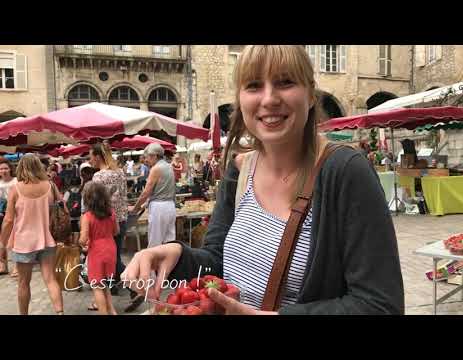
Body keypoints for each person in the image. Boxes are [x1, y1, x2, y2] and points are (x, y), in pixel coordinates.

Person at [122, 45, 404, 315]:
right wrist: (175, 254)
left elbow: (380, 305)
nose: (269, 99)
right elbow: (218, 262)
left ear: (310, 96)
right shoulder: (240, 169)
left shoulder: (346, 172)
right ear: (241, 99)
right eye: (254, 85)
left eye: (285, 82)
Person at [0, 153, 64, 315]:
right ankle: (60, 312)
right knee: (50, 279)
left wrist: (2, 241)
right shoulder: (50, 186)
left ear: (21, 167)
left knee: (23, 283)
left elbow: (8, 220)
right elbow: (64, 210)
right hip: (47, 239)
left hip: (23, 242)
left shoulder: (16, 189)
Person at [89, 143, 128, 295]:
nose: (90, 160)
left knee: (112, 258)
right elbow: (124, 195)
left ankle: (135, 286)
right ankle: (113, 286)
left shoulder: (98, 176)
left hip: (106, 222)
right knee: (115, 254)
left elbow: (97, 202)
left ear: (98, 157)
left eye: (91, 156)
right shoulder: (120, 172)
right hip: (121, 219)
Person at [79, 182, 119, 315]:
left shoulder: (87, 217)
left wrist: (81, 242)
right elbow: (116, 231)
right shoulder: (111, 213)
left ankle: (103, 312)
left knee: (96, 286)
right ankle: (112, 311)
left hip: (96, 251)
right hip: (111, 248)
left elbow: (83, 239)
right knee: (104, 284)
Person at [129, 143, 176, 248]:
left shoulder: (156, 169)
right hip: (170, 206)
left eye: (147, 157)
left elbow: (146, 192)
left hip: (159, 208)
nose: (146, 160)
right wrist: (145, 204)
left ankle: (155, 264)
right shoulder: (168, 166)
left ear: (154, 156)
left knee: (155, 243)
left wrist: (135, 208)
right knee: (169, 242)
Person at [0, 157, 18, 276]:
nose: (3, 171)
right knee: (2, 240)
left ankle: (17, 266)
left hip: (16, 213)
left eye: (6, 168)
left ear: (10, 169)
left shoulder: (16, 181)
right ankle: (3, 265)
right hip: (2, 214)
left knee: (16, 240)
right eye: (1, 169)